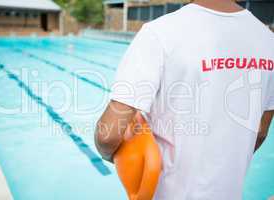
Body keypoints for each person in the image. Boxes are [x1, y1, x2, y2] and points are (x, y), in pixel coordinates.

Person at [95, 0, 274, 199]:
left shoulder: (160, 33)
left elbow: (108, 135)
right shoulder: (267, 39)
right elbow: (259, 132)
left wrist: (118, 156)